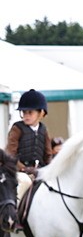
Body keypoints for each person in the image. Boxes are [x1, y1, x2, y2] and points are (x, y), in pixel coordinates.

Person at [5, 89, 54, 217]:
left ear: (41, 113)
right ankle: (14, 215)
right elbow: (10, 154)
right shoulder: (17, 128)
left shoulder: (44, 130)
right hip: (19, 171)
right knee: (25, 182)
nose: (26, 115)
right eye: (24, 112)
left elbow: (48, 154)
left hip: (39, 171)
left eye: (30, 112)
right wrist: (24, 168)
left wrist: (50, 169)